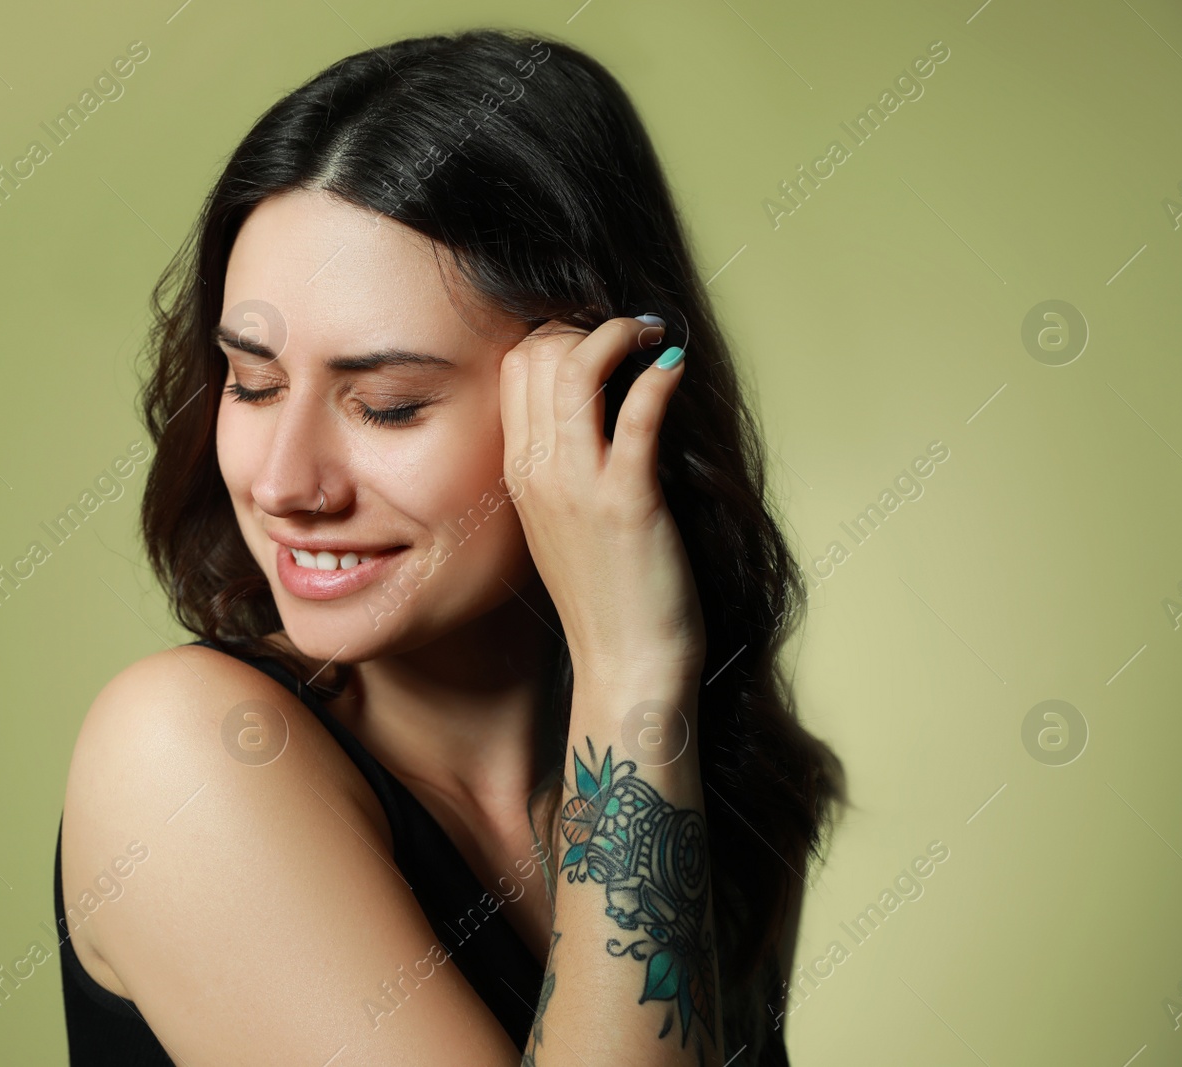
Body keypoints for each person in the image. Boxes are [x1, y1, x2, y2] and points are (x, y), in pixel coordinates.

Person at [56, 28, 843, 1066]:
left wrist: (644, 692)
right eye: (251, 382)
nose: (287, 484)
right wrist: (632, 668)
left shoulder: (722, 768)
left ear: (593, 399)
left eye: (385, 404)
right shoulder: (183, 758)